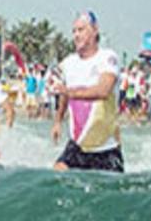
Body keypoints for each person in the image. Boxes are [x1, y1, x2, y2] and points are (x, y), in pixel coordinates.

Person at [51, 11, 124, 172]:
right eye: (74, 31)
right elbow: (64, 93)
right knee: (56, 174)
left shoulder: (107, 58)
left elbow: (104, 91)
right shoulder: (68, 63)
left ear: (95, 30)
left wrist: (71, 93)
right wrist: (57, 121)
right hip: (77, 147)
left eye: (81, 30)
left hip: (106, 148)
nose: (76, 35)